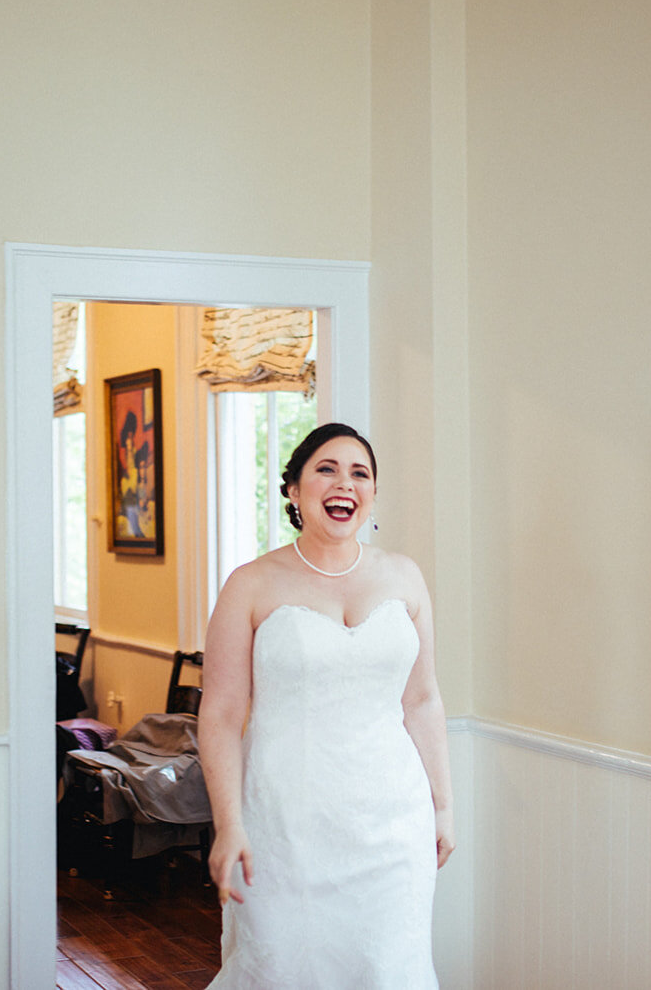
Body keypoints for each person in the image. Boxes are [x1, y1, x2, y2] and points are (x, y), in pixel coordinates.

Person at [198, 422, 455, 989]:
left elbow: (423, 699)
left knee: (388, 969)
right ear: (293, 490)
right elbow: (217, 715)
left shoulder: (404, 577)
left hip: (393, 825)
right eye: (327, 470)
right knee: (284, 968)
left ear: (372, 495)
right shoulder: (251, 584)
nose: (345, 483)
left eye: (360, 473)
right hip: (284, 827)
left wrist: (442, 805)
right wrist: (228, 825)